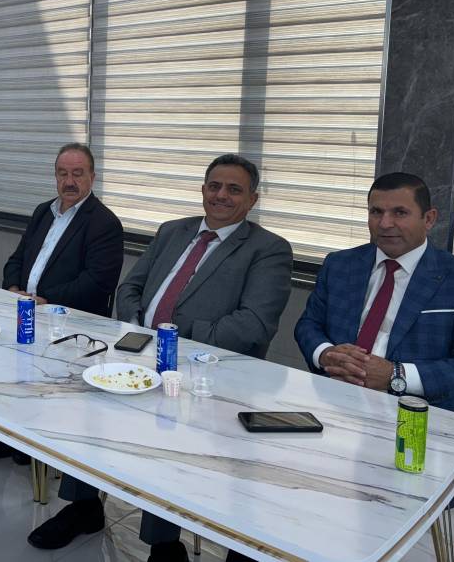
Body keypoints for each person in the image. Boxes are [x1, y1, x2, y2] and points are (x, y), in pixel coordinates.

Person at [28, 154, 293, 562]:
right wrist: (141, 330)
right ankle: (84, 508)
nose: (221, 196)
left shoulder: (268, 249)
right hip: (140, 353)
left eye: (234, 189)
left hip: (205, 374)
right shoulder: (173, 231)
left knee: (168, 439)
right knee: (87, 408)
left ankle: (165, 546)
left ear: (253, 199)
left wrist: (172, 335)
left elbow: (253, 326)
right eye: (214, 186)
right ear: (203, 189)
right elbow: (130, 288)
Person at [0, 142, 124, 466]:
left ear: (93, 176)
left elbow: (97, 283)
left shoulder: (104, 223)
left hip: (67, 323)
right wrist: (13, 288)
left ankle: (26, 442)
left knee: (24, 368)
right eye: (62, 173)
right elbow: (16, 258)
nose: (69, 181)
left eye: (78, 174)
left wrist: (45, 301)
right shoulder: (44, 211)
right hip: (23, 309)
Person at [294, 171, 454, 437]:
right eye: (376, 212)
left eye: (400, 213)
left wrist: (396, 375)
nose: (385, 223)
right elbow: (309, 325)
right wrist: (326, 354)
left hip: (418, 420)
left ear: (429, 219)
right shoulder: (340, 265)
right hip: (334, 408)